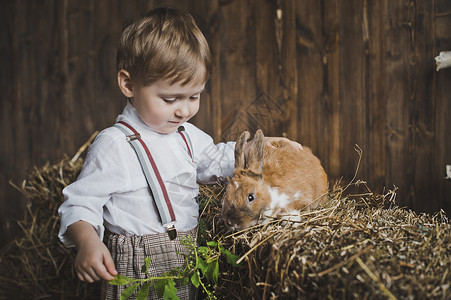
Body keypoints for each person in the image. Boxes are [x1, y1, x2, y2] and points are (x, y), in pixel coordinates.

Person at [58, 6, 297, 300]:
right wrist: (88, 243)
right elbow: (80, 204)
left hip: (187, 255)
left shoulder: (187, 135)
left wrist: (261, 146)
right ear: (129, 84)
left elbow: (218, 159)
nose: (184, 110)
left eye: (194, 97)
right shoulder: (114, 145)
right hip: (137, 270)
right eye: (170, 99)